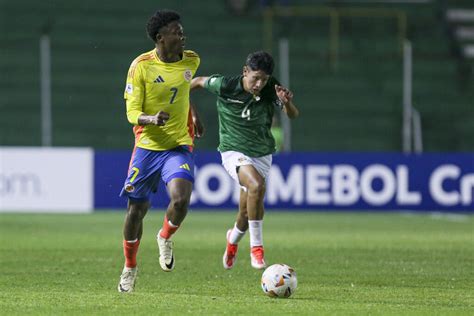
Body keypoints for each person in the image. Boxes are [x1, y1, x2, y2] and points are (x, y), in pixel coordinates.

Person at [117, 9, 203, 293]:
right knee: (136, 210)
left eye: (182, 31)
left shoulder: (191, 60)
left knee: (180, 200)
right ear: (160, 38)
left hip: (178, 144)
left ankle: (165, 236)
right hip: (147, 147)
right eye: (176, 32)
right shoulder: (141, 66)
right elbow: (131, 112)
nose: (182, 35)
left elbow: (182, 89)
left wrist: (193, 114)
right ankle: (130, 266)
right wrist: (151, 119)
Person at [191, 51, 299, 270]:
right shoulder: (225, 85)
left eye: (264, 79)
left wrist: (286, 103)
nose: (259, 84)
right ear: (245, 71)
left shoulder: (271, 88)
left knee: (246, 212)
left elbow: (293, 115)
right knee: (257, 186)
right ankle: (256, 248)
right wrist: (191, 113)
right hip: (232, 150)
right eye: (255, 78)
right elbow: (194, 83)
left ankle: (232, 241)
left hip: (261, 153)